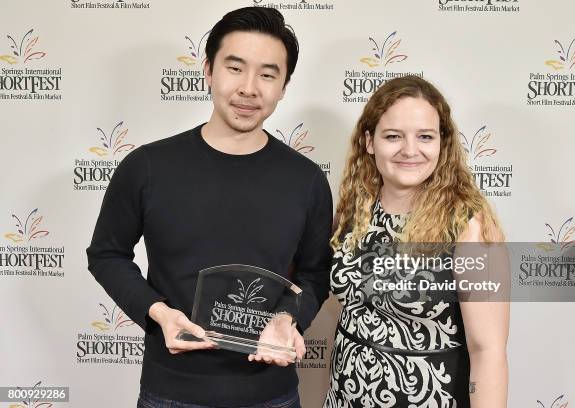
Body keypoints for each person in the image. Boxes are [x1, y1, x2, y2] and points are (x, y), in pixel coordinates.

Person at [86, 7, 332, 408]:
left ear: (284, 86)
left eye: (268, 75)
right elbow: (107, 254)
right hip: (171, 393)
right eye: (235, 68)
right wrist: (159, 313)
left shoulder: (306, 180)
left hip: (272, 394)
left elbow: (315, 272)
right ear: (208, 70)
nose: (249, 88)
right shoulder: (148, 166)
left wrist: (288, 319)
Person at [324, 75, 509, 407]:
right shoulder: (353, 210)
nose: (410, 150)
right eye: (393, 136)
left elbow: (488, 352)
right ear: (369, 141)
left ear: (442, 143)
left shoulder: (467, 226)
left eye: (425, 136)